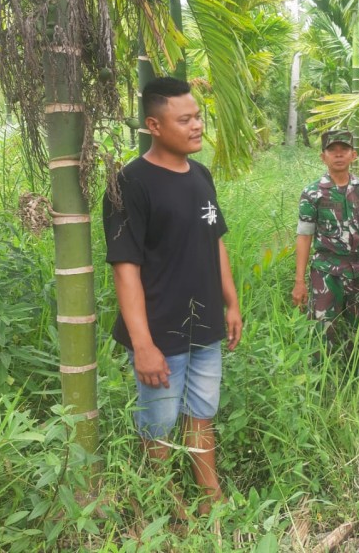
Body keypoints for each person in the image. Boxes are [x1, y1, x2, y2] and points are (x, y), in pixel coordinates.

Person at [103, 77, 242, 515]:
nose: (197, 125)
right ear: (154, 125)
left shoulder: (201, 175)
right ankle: (165, 504)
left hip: (205, 327)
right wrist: (143, 345)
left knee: (202, 413)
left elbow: (214, 240)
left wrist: (231, 302)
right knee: (159, 424)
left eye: (198, 115)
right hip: (160, 332)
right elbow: (126, 269)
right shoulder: (129, 183)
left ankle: (209, 497)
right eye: (185, 119)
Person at [292, 129, 359, 357]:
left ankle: (355, 380)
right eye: (332, 151)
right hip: (327, 272)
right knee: (322, 334)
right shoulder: (312, 193)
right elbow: (304, 236)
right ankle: (320, 385)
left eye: (343, 150)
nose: (338, 155)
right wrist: (299, 281)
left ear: (353, 155)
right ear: (323, 157)